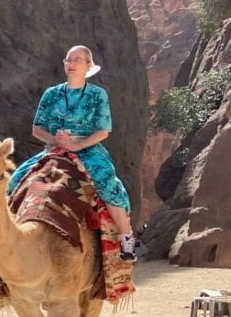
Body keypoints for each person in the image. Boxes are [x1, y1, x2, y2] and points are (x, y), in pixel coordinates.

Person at [8, 45, 136, 261]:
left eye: (78, 60)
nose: (72, 64)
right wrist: (54, 140)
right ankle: (10, 240)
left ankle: (126, 237)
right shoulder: (51, 94)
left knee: (106, 181)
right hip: (53, 147)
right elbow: (37, 128)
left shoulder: (97, 95)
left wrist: (78, 145)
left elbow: (103, 130)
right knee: (15, 181)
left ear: (88, 66)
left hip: (88, 148)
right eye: (69, 60)